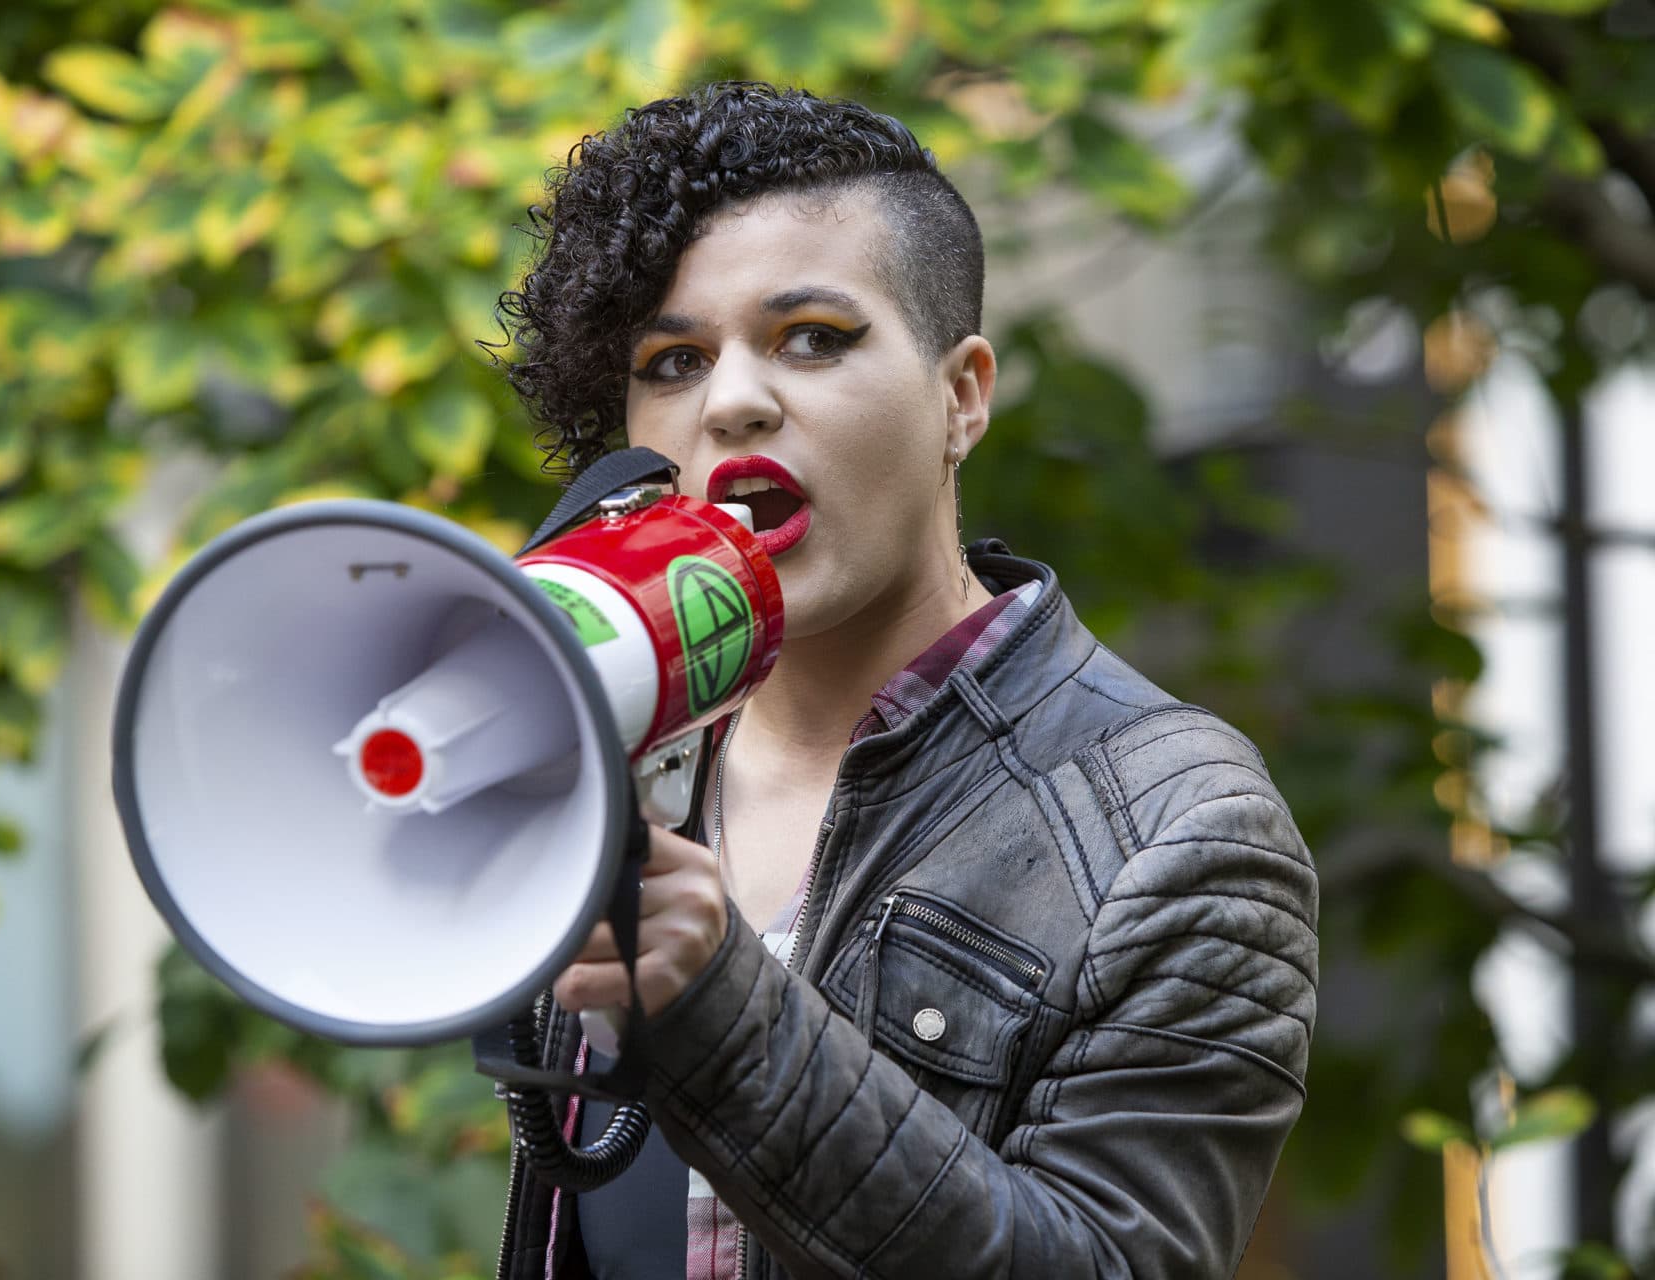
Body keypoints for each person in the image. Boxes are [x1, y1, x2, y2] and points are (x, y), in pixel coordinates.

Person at [491, 81, 1318, 1280]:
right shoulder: (628, 752)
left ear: (962, 395)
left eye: (812, 337)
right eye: (674, 359)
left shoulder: (1180, 825)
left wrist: (722, 1010)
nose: (731, 400)